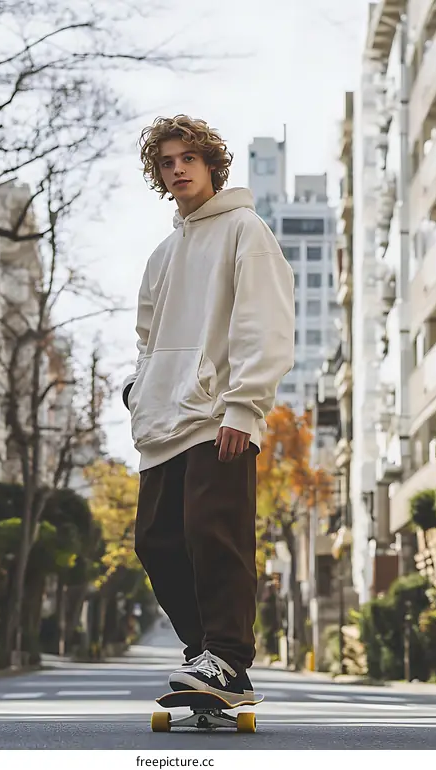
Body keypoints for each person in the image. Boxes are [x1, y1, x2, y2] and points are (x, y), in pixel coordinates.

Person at [122, 115, 295, 705]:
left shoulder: (246, 229)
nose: (177, 170)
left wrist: (244, 407)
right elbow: (147, 338)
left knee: (212, 533)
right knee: (155, 540)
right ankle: (208, 659)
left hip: (219, 414)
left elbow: (263, 321)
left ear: (210, 165)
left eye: (187, 159)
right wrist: (138, 391)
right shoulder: (162, 254)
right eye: (166, 163)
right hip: (162, 420)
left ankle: (226, 655)